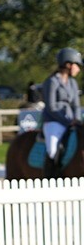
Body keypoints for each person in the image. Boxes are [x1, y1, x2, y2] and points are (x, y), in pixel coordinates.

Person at [41, 47, 82, 176]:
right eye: (77, 65)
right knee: (53, 149)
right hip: (54, 121)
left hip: (70, 120)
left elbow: (76, 105)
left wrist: (77, 120)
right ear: (68, 64)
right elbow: (51, 107)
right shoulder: (51, 81)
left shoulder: (73, 83)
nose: (79, 69)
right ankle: (50, 176)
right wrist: (67, 121)